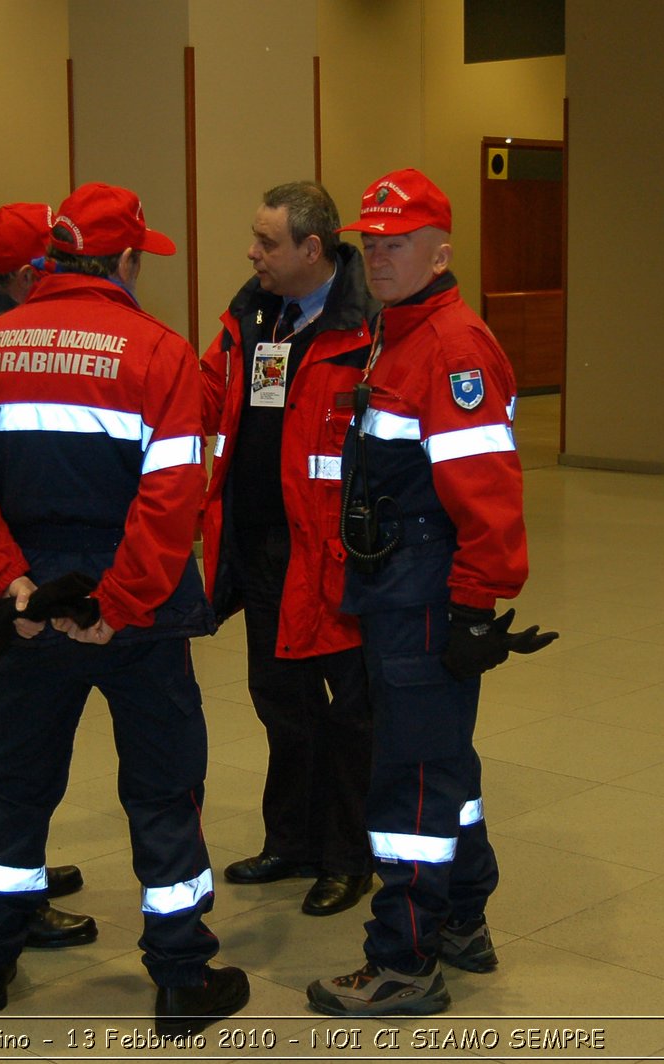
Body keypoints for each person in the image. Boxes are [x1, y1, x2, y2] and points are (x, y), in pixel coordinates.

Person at [0, 182, 249, 1033]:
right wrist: (120, 600)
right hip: (134, 615)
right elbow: (172, 497)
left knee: (13, 787)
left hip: (24, 610)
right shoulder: (159, 352)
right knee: (162, 787)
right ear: (128, 261)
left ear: (55, 256)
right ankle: (181, 976)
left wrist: (13, 591)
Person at [306, 169, 554, 1017]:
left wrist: (476, 606)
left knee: (409, 782)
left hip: (423, 594)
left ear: (440, 251)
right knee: (441, 763)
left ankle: (404, 963)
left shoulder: (452, 347)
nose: (380, 257)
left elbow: (487, 490)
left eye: (399, 244)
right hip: (393, 588)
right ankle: (461, 919)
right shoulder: (398, 331)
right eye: (371, 244)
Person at [199, 181, 376, 917]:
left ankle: (347, 856)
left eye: (266, 242)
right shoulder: (252, 316)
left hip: (338, 561)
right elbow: (207, 394)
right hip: (264, 551)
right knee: (280, 701)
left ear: (314, 248)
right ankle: (292, 840)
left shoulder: (369, 327)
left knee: (349, 713)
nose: (252, 253)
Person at [0, 201, 96, 955]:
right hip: (4, 588)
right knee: (6, 744)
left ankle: (13, 868)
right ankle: (8, 889)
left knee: (6, 739)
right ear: (32, 272)